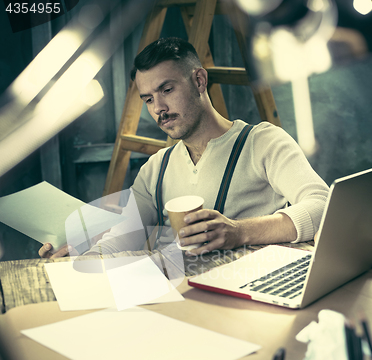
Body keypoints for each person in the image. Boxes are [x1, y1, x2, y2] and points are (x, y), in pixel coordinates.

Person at [39, 37, 329, 259]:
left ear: (199, 80)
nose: (159, 109)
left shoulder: (262, 142)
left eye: (167, 90)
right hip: (187, 301)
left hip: (256, 297)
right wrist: (82, 257)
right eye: (148, 99)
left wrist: (239, 232)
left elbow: (323, 207)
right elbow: (124, 236)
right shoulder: (157, 167)